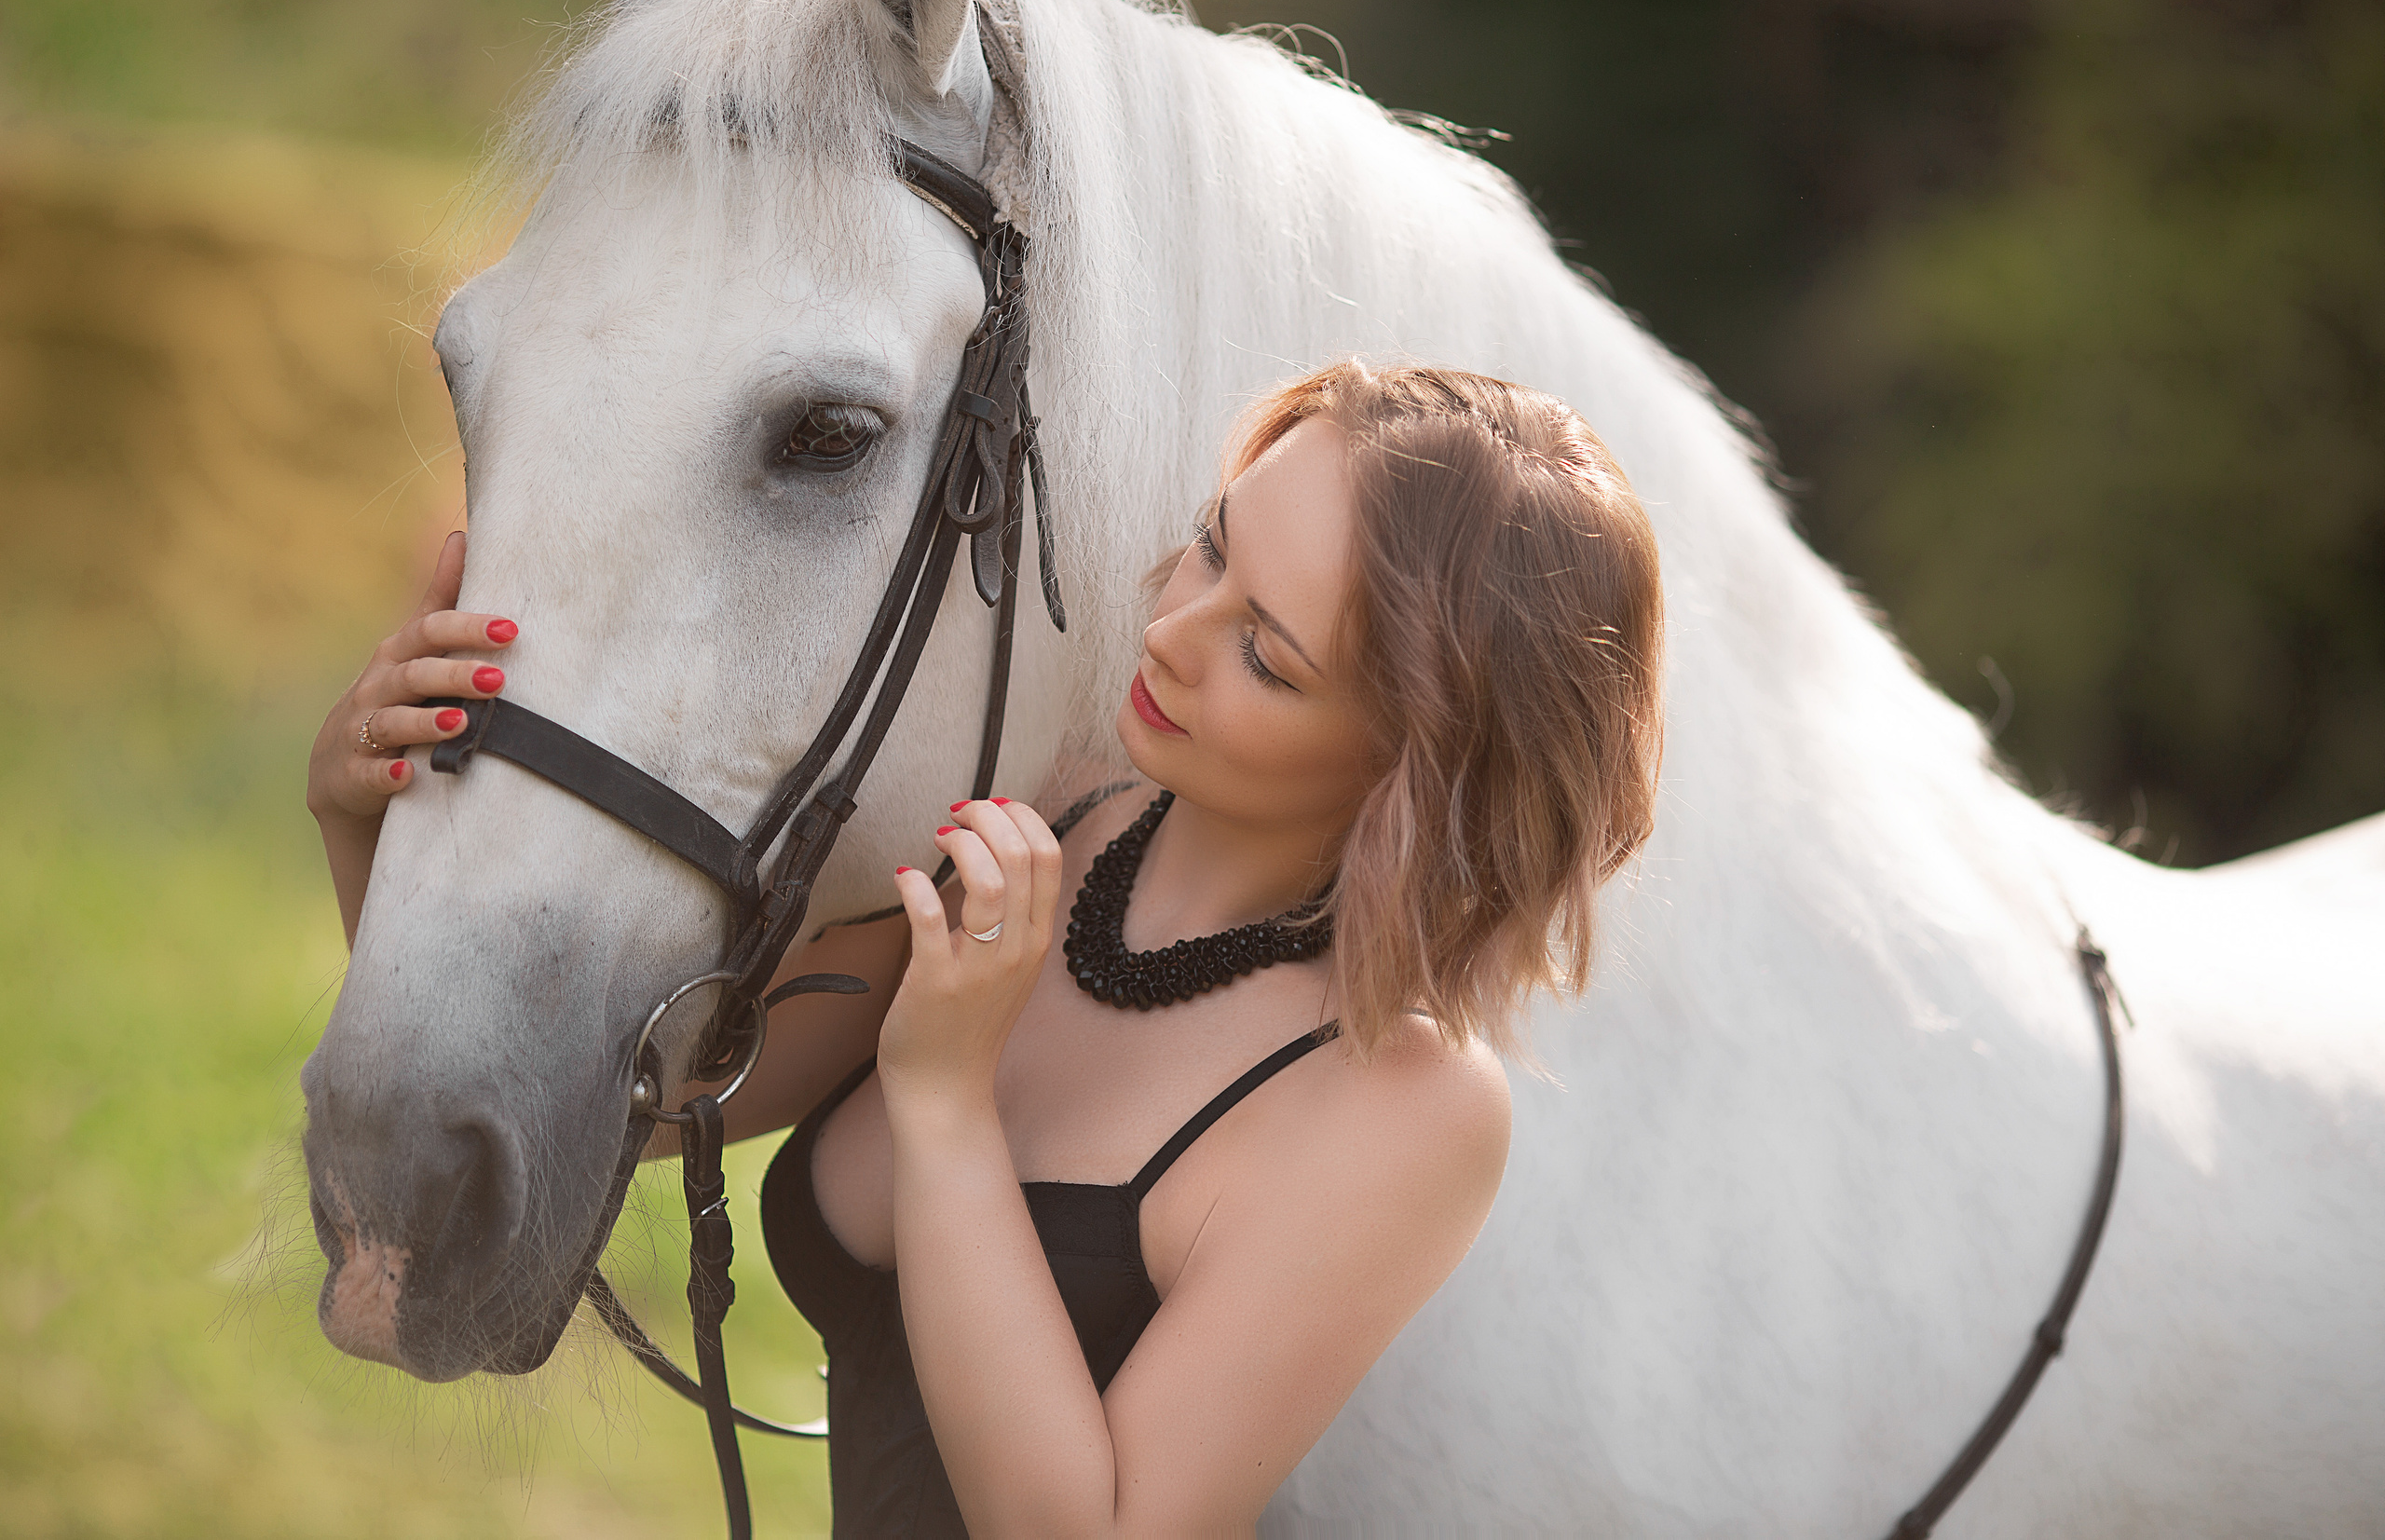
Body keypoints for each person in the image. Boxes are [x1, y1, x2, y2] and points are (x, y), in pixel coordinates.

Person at [310, 359, 1663, 1536]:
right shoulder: (1038, 818)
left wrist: (948, 1101)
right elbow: (631, 1110)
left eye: (1268, 654)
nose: (1175, 631)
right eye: (1212, 546)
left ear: (1413, 770)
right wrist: (366, 818)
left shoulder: (1402, 1103)